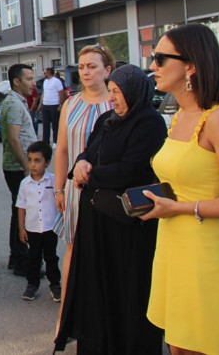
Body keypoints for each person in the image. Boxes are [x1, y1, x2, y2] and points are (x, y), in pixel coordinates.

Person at [142, 24, 219, 355]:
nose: (152, 65)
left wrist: (182, 208)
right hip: (173, 248)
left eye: (159, 57)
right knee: (178, 347)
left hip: (207, 256)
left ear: (190, 65)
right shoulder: (180, 115)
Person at [55, 64, 166, 354]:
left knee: (126, 290)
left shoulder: (149, 122)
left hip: (126, 223)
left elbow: (132, 169)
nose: (113, 98)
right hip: (97, 219)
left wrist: (89, 175)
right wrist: (80, 164)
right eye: (112, 91)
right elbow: (87, 152)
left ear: (133, 91)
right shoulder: (107, 119)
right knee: (96, 288)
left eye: (117, 92)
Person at [52, 44, 115, 327]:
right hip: (75, 192)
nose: (86, 72)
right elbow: (62, 149)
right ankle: (66, 315)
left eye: (92, 66)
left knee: (108, 250)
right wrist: (58, 188)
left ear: (107, 70)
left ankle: (104, 312)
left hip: (108, 190)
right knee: (73, 249)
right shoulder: (71, 104)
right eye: (81, 67)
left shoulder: (116, 103)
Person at [0, 64, 38, 276]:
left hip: (16, 166)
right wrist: (26, 167)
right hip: (17, 167)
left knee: (18, 212)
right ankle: (22, 261)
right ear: (16, 81)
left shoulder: (16, 102)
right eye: (29, 79)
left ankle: (17, 258)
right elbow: (14, 140)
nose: (33, 83)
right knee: (22, 213)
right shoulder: (14, 104)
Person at [17, 141, 60, 302]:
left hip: (50, 227)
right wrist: (21, 228)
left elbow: (60, 202)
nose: (33, 164)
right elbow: (21, 207)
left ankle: (55, 284)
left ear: (47, 162)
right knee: (33, 257)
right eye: (30, 160)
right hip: (32, 228)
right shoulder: (24, 184)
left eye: (37, 160)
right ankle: (32, 285)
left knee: (51, 257)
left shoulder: (53, 181)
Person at [39, 67, 66, 145]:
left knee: (55, 124)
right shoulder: (45, 81)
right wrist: (41, 104)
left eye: (45, 72)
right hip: (45, 105)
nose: (44, 74)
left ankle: (55, 141)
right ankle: (45, 141)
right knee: (45, 124)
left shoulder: (56, 81)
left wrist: (60, 104)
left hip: (54, 105)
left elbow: (62, 93)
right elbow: (44, 92)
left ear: (48, 73)